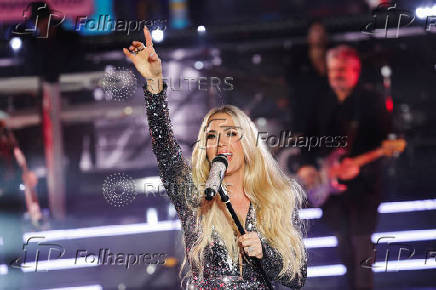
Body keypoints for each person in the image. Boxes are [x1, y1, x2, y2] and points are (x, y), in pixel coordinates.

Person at [123, 27, 307, 289]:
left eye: (231, 133)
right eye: (211, 136)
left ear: (247, 144)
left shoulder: (276, 197)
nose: (220, 142)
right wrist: (154, 84)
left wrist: (265, 251)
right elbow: (164, 147)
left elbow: (297, 277)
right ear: (205, 148)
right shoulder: (195, 198)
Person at [297, 45, 391, 290]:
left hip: (364, 191)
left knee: (362, 250)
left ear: (355, 70)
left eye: (341, 70)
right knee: (344, 249)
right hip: (330, 191)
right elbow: (306, 139)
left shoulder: (372, 101)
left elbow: (386, 146)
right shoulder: (320, 101)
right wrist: (306, 166)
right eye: (332, 70)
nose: (336, 74)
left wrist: (361, 169)